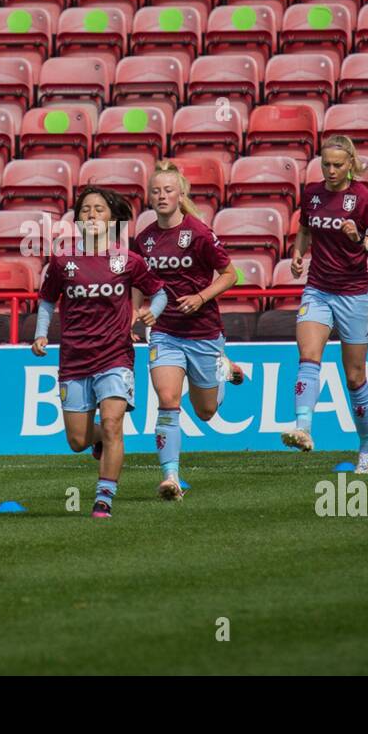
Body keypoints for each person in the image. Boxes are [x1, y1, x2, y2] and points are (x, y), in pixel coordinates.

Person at [33, 186, 167, 520]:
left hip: (115, 356)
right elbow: (47, 299)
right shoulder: (63, 259)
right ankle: (97, 440)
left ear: (112, 219)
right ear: (77, 219)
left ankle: (103, 499)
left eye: (99, 210)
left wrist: (154, 312)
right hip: (75, 358)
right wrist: (39, 334)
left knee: (112, 423)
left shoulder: (129, 260)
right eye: (86, 210)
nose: (92, 215)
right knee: (77, 440)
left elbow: (160, 292)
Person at [133, 161, 243, 500]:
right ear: (149, 197)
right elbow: (138, 282)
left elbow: (230, 274)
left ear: (181, 195)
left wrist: (200, 296)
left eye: (168, 190)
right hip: (165, 333)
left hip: (204, 332)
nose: (162, 196)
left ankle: (223, 369)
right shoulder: (144, 239)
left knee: (206, 412)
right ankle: (170, 478)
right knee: (167, 400)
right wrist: (138, 313)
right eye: (156, 191)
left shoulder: (199, 233)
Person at [283, 136, 368, 472]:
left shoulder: (362, 198)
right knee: (308, 357)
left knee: (355, 377)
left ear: (350, 164)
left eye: (337, 165)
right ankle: (303, 428)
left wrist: (360, 238)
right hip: (317, 289)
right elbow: (304, 229)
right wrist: (298, 254)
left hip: (355, 295)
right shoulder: (312, 194)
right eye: (325, 164)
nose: (330, 170)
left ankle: (367, 448)